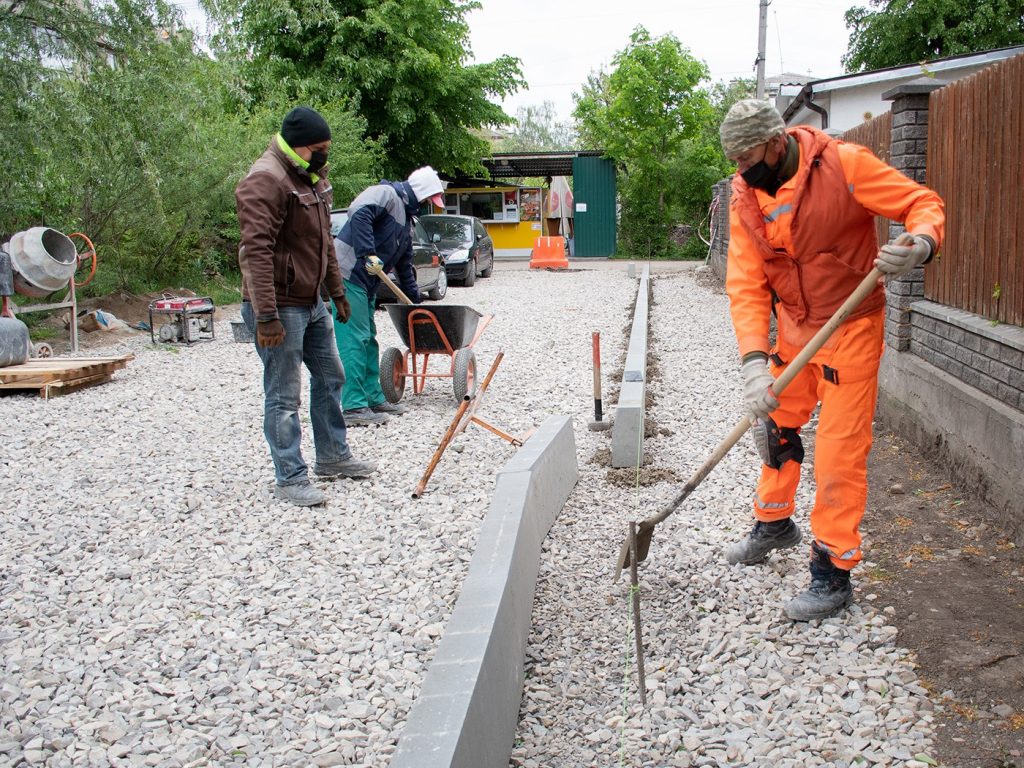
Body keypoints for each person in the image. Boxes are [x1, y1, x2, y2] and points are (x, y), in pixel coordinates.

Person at [719, 100, 945, 621]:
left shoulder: (845, 165)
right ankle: (774, 523)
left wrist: (922, 245)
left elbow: (921, 203)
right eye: (734, 158)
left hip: (852, 325)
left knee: (839, 452)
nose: (741, 168)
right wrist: (755, 363)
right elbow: (746, 284)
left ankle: (832, 570)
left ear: (777, 142)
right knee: (774, 424)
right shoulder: (744, 198)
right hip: (798, 329)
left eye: (748, 155)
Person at [236, 105, 377, 506]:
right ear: (299, 145)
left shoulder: (310, 178)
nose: (325, 154)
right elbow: (256, 252)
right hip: (279, 306)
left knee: (332, 375)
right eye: (320, 148)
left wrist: (337, 293)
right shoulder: (266, 180)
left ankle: (333, 456)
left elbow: (323, 244)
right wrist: (265, 315)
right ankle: (290, 477)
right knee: (283, 394)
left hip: (311, 301)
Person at [331, 166, 446, 426]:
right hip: (349, 274)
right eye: (429, 200)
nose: (429, 205)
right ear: (422, 193)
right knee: (354, 339)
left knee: (368, 338)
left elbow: (405, 266)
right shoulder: (386, 194)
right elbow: (358, 212)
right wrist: (367, 252)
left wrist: (415, 302)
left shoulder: (405, 219)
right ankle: (353, 406)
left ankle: (373, 397)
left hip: (367, 282)